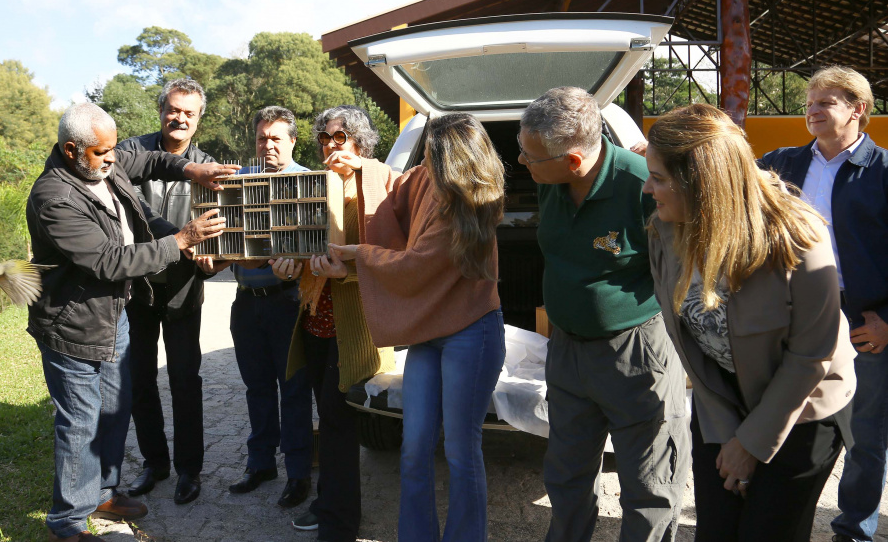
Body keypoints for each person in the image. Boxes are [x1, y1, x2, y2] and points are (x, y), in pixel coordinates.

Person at [645, 103, 857, 541]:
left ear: (702, 182)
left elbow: (811, 356)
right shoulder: (665, 231)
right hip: (722, 402)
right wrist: (729, 435)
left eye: (659, 178)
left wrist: (752, 444)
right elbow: (692, 349)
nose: (648, 189)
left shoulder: (798, 236)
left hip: (802, 408)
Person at [27, 102, 236, 542]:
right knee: (80, 424)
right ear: (71, 150)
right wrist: (182, 240)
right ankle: (67, 524)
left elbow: (153, 160)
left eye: (112, 150)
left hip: (112, 317)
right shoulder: (55, 198)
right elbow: (109, 261)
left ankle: (103, 492)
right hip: (73, 326)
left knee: (114, 409)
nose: (111, 159)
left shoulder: (104, 163)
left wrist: (192, 170)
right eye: (101, 152)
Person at [519, 86, 689, 542]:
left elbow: (684, 276)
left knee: (650, 485)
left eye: (530, 156)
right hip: (567, 352)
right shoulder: (550, 182)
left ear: (574, 160)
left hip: (636, 356)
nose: (521, 161)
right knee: (566, 477)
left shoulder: (644, 186)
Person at [330, 112, 505, 542]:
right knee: (413, 447)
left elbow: (414, 265)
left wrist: (356, 253)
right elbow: (398, 184)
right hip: (429, 332)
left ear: (454, 164)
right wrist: (363, 166)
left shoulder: (470, 206)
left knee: (461, 450)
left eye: (430, 156)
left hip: (472, 332)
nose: (423, 164)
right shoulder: (430, 177)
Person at [758, 66, 888, 542]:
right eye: (810, 102)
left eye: (826, 102)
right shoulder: (780, 164)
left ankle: (853, 532)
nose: (812, 110)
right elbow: (728, 188)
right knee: (783, 419)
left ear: (858, 109)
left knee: (864, 438)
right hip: (788, 313)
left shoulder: (883, 171)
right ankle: (775, 521)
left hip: (860, 321)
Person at [270, 105, 395, 540]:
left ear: (361, 142)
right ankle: (329, 504)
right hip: (315, 320)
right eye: (324, 138)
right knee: (329, 418)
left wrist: (347, 273)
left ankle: (338, 523)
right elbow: (297, 248)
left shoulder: (381, 184)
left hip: (354, 327)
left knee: (339, 424)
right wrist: (286, 267)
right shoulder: (312, 186)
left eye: (339, 137)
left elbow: (395, 258)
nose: (330, 146)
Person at [197, 106, 313, 507]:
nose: (268, 145)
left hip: (289, 303)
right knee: (257, 388)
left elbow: (315, 247)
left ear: (293, 140)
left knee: (294, 390)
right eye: (262, 138)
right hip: (246, 304)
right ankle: (260, 463)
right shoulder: (238, 183)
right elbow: (221, 239)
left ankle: (298, 473)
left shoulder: (309, 183)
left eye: (276, 137)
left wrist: (282, 264)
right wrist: (211, 257)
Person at [118, 78, 214, 505]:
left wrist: (214, 259)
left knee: (184, 380)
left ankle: (189, 469)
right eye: (173, 109)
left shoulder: (207, 165)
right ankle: (154, 462)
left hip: (183, 289)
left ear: (199, 119)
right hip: (136, 287)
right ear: (160, 111)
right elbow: (129, 210)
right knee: (139, 379)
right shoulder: (131, 152)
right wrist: (178, 237)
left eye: (189, 112)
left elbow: (220, 224)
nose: (180, 118)